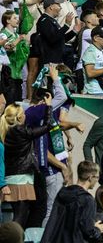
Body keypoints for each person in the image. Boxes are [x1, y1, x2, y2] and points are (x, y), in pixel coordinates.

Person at [1, 98, 53, 228]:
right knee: (20, 218)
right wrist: (48, 107)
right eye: (23, 114)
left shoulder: (5, 131)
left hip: (11, 177)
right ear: (19, 118)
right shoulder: (20, 131)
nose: (25, 116)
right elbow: (48, 126)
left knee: (17, 215)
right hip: (22, 179)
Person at [40, 161, 103, 243]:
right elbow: (88, 231)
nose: (97, 180)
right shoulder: (88, 199)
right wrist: (97, 229)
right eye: (97, 177)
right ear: (90, 177)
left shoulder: (62, 193)